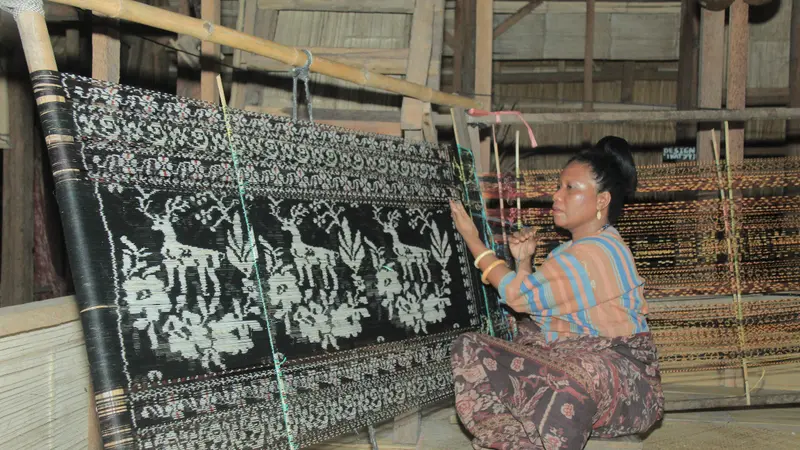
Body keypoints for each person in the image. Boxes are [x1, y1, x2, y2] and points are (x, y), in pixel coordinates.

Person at [448, 136, 664, 450]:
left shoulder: (592, 253)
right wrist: (523, 261)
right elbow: (535, 306)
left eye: (570, 188)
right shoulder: (583, 248)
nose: (556, 196)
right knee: (472, 348)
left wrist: (474, 240)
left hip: (624, 387)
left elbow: (518, 297)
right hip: (593, 376)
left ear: (601, 201)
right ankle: (514, 438)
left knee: (570, 376)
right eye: (559, 186)